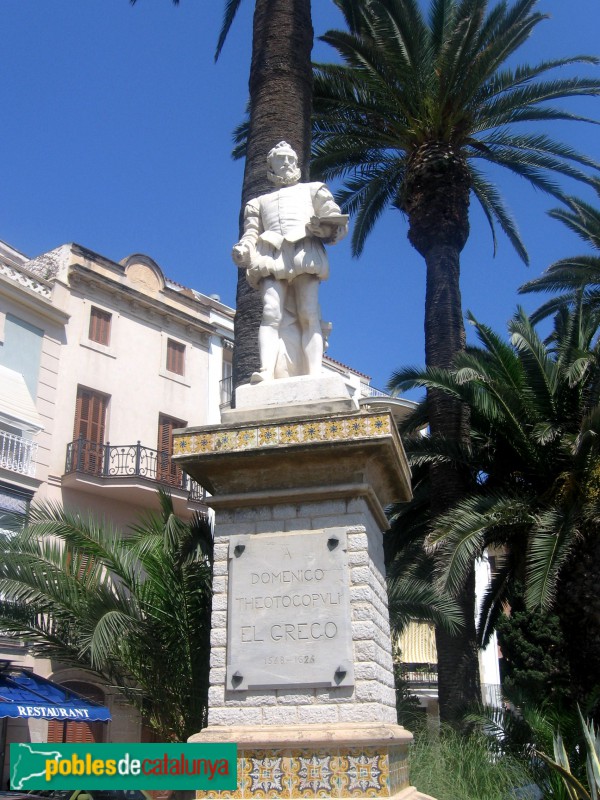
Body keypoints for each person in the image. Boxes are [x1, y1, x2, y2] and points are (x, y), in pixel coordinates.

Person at [232, 141, 348, 383]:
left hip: (304, 250)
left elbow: (336, 222)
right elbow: (251, 233)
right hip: (271, 253)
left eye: (290, 159)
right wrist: (243, 248)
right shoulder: (257, 202)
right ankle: (266, 371)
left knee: (308, 313)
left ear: (296, 163)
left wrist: (323, 227)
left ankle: (314, 372)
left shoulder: (314, 189)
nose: (286, 163)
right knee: (270, 313)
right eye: (280, 159)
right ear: (271, 164)